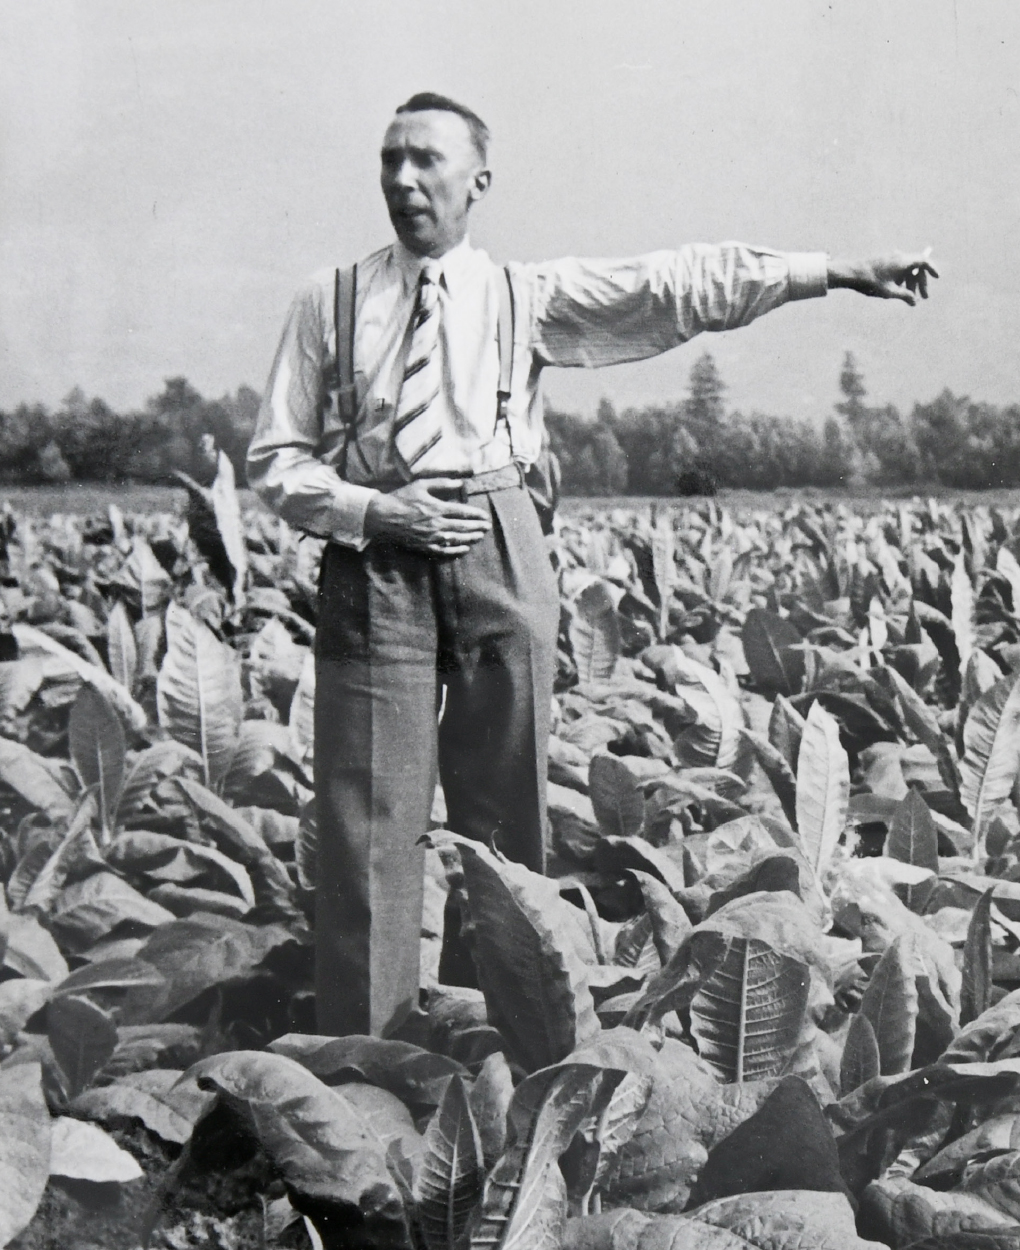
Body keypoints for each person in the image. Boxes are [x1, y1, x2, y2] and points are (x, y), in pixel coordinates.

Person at [248, 92, 937, 1037]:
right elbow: (276, 461)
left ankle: (494, 1037)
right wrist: (373, 510)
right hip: (376, 552)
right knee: (367, 816)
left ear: (478, 182)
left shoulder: (525, 297)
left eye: (428, 162)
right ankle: (367, 1067)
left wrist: (840, 271)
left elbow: (679, 284)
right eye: (390, 160)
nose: (405, 180)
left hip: (494, 535)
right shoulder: (327, 299)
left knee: (504, 810)